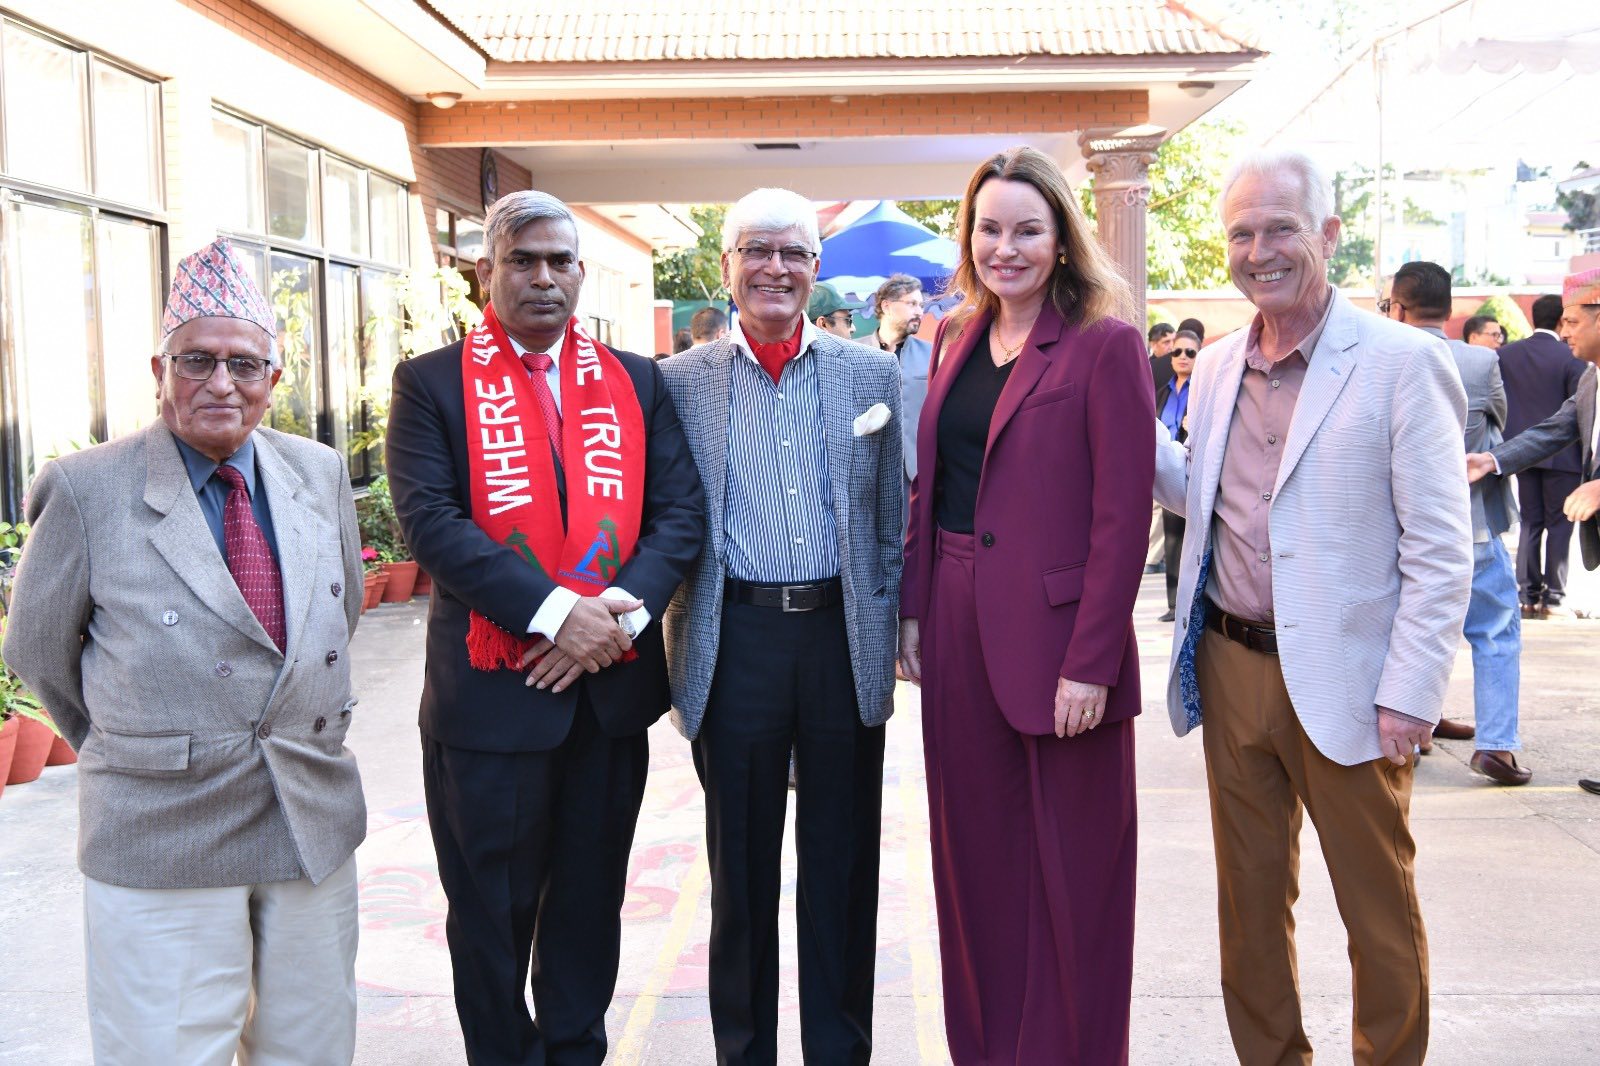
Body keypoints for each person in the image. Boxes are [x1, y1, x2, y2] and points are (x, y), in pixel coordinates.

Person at [2, 238, 367, 1065]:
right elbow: (40, 650)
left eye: (244, 364)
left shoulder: (317, 472)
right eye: (196, 360)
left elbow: (333, 617)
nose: (220, 382)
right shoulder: (88, 487)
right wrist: (148, 742)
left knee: (310, 1049)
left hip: (308, 819)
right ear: (159, 371)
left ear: (274, 378)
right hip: (162, 826)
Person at [1155, 148, 1472, 1065]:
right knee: (1249, 909)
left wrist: (1411, 691)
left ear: (1329, 234)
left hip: (1354, 681)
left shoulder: (1403, 362)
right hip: (1230, 665)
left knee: (1378, 912)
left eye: (1281, 228)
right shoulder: (1217, 365)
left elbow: (1441, 548)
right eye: (1241, 234)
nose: (1260, 251)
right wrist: (1122, 428)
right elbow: (1205, 496)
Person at [384, 190, 705, 1064]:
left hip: (607, 697)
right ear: (485, 271)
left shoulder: (636, 380)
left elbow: (679, 515)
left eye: (560, 261)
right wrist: (559, 614)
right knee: (491, 919)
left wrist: (612, 619)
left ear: (580, 273)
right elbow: (431, 524)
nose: (543, 278)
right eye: (522, 261)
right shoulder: (432, 384)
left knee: (589, 910)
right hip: (493, 705)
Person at [899, 145, 1152, 1065]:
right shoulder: (953, 336)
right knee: (973, 865)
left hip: (1060, 641)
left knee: (1077, 880)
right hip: (956, 623)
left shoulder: (1105, 344)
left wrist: (1091, 661)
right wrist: (915, 610)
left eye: (1027, 231)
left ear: (1062, 238)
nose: (1005, 249)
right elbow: (934, 484)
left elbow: (1123, 519)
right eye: (989, 229)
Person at [660, 187, 902, 1065]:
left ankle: (839, 1051)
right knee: (741, 874)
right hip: (735, 642)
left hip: (840, 639)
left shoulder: (870, 375)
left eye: (793, 251)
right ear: (724, 266)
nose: (775, 267)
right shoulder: (678, 384)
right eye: (756, 250)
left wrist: (891, 625)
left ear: (816, 267)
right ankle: (744, 1051)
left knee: (842, 870)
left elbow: (889, 520)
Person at [1384, 261, 1526, 783]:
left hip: (1397, 529)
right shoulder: (1481, 362)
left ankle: (1410, 737)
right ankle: (1497, 746)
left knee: (1400, 629)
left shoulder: (1380, 356)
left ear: (1398, 308)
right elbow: (1498, 426)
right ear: (1449, 309)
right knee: (1495, 632)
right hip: (1472, 523)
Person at [1468, 268, 1600, 798]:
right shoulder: (1589, 379)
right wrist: (1493, 460)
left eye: (1572, 321)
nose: (1563, 332)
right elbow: (1555, 430)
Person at [1498, 293, 1587, 618]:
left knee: (1530, 523)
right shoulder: (1572, 356)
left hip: (1523, 453)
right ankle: (1553, 598)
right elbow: (1579, 412)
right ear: (1561, 319)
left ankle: (1527, 595)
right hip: (1565, 456)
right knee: (1560, 526)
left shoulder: (1506, 355)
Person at [871, 273, 935, 518]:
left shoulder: (934, 354)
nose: (919, 311)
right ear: (887, 306)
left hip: (915, 474)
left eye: (921, 305)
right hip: (867, 471)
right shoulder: (854, 352)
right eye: (912, 304)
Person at [1156, 329, 1198, 622]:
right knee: (1171, 541)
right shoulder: (1163, 391)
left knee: (1192, 541)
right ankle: (1173, 604)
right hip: (1162, 472)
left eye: (1189, 352)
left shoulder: (1204, 389)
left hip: (1190, 468)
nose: (1182, 357)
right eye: (1177, 352)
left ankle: (1191, 603)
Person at [1148, 320, 1176, 390]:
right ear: (1153, 345)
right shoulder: (1148, 368)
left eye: (1175, 341)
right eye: (1166, 342)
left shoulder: (1179, 364)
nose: (1172, 346)